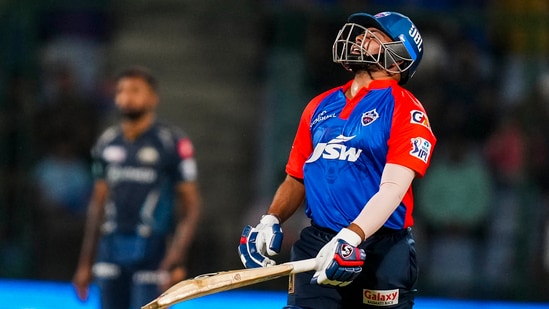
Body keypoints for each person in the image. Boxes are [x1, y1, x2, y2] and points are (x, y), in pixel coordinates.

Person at [239, 11, 436, 308]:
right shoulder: (320, 105)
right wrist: (271, 218)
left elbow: (393, 189)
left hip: (381, 248)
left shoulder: (407, 110)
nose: (359, 37)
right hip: (318, 240)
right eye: (362, 33)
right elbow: (297, 176)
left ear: (398, 58)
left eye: (374, 36)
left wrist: (352, 237)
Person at [72, 66, 202, 309]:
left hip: (153, 253)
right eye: (121, 90)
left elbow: (191, 206)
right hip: (110, 248)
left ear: (153, 98)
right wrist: (85, 263)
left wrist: (177, 257)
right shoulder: (106, 143)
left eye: (135, 90)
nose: (126, 97)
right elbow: (98, 203)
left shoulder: (171, 142)